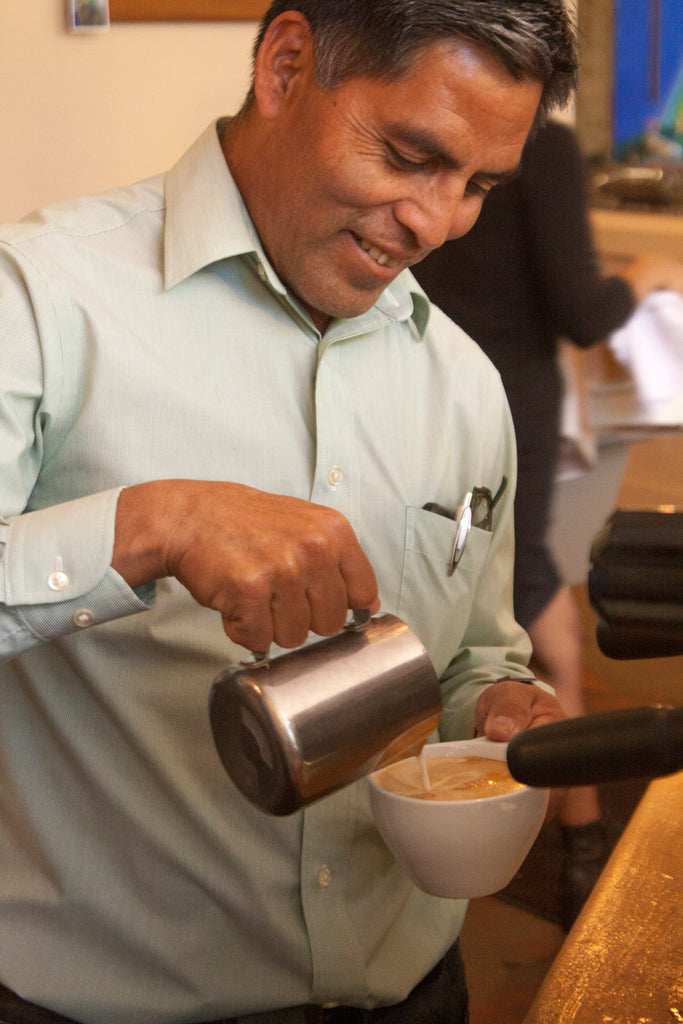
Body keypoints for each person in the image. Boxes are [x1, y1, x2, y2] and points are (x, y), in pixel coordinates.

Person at [0, 3, 578, 1022]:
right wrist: (149, 524)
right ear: (285, 65)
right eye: (409, 156)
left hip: (418, 995)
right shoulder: (40, 300)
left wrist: (492, 705)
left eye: (477, 186)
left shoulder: (463, 384)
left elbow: (466, 655)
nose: (437, 223)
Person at [413, 118, 683, 928]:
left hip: (421, 388)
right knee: (525, 589)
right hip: (504, 402)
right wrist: (642, 274)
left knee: (514, 591)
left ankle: (571, 827)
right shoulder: (538, 142)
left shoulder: (419, 116)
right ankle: (579, 838)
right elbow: (582, 310)